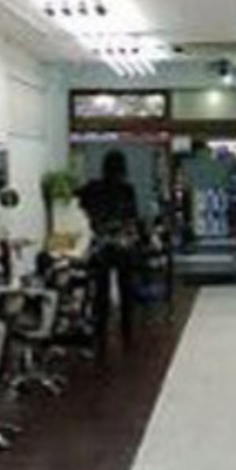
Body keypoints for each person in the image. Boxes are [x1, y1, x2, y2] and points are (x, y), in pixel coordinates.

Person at [75, 149, 138, 351]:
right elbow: (132, 217)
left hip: (101, 243)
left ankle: (100, 331)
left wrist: (95, 220)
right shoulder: (127, 189)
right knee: (126, 288)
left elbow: (79, 202)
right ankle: (127, 330)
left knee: (100, 291)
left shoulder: (92, 188)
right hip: (122, 243)